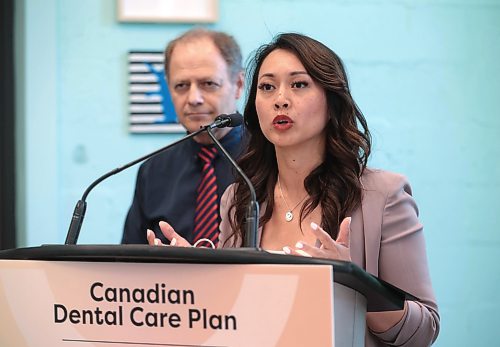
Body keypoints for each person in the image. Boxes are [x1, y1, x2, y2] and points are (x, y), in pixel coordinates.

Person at [147, 33, 440, 346]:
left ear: (331, 101)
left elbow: (424, 329)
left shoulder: (383, 194)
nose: (280, 99)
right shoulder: (239, 198)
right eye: (267, 87)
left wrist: (353, 281)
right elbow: (234, 316)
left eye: (299, 84)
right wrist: (196, 277)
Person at [122, 28, 245, 245]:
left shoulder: (273, 158)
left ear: (238, 85)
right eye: (181, 86)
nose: (193, 98)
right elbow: (126, 262)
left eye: (208, 84)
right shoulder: (153, 170)